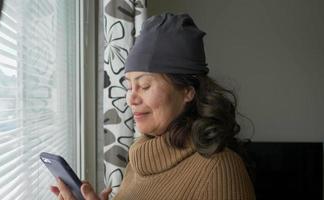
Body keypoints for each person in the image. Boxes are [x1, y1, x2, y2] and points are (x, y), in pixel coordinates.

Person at [51, 13, 256, 200]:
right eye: (129, 85)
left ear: (187, 91)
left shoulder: (220, 170)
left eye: (145, 85)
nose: (131, 98)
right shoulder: (139, 158)